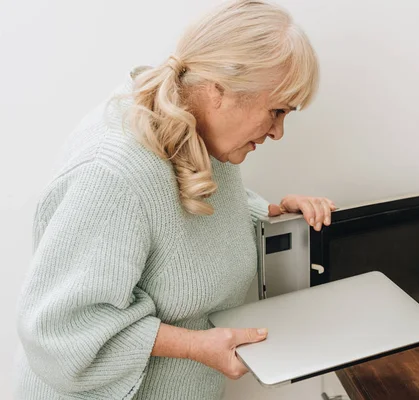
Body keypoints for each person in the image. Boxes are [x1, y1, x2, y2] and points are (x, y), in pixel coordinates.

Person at [15, 1, 333, 399]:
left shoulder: (195, 130)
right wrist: (197, 346)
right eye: (276, 111)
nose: (278, 132)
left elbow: (180, 210)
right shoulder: (111, 173)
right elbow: (60, 331)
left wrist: (265, 214)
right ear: (219, 90)